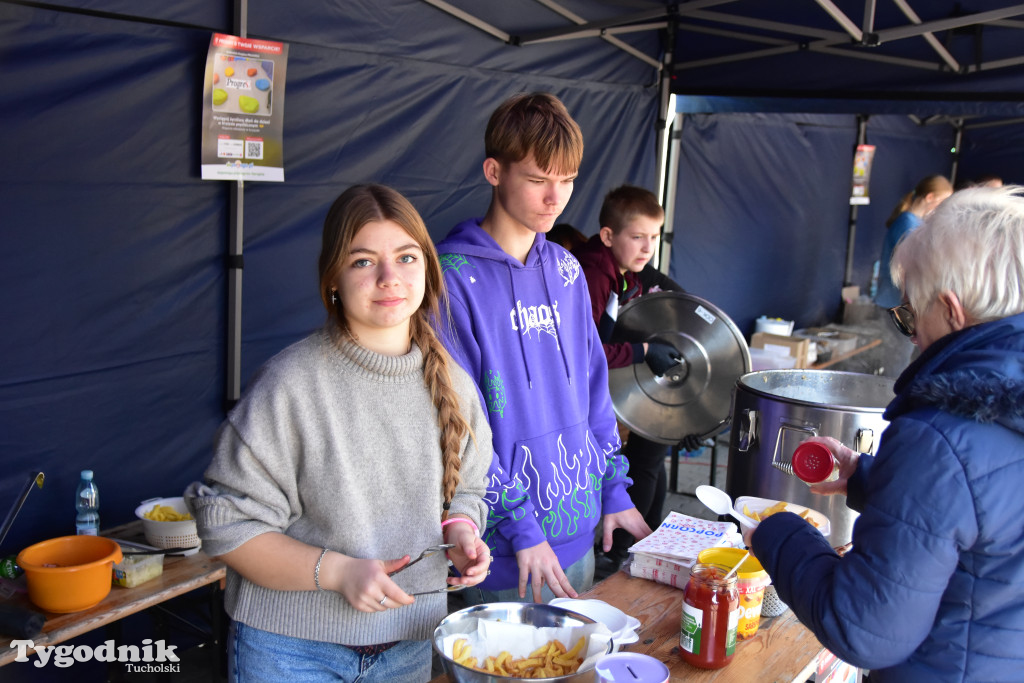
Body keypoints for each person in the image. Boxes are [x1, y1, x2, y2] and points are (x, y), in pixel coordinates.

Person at [184, 184, 493, 682]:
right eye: (364, 262)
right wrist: (338, 572)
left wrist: (460, 530)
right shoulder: (289, 385)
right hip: (290, 652)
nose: (390, 277)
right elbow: (225, 524)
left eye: (406, 257)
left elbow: (471, 489)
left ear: (429, 268)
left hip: (409, 643)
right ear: (333, 279)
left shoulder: (454, 385)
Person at [745, 185, 1024, 682]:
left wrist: (777, 532)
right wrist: (867, 479)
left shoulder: (939, 432)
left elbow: (866, 627)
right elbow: (986, 508)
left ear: (951, 310)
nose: (913, 335)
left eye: (911, 314)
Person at [436, 92, 652, 605]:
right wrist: (520, 529)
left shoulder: (568, 269)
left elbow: (594, 391)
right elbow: (455, 422)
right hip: (501, 550)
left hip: (579, 535)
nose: (555, 198)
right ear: (494, 171)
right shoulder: (450, 278)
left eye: (567, 180)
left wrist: (613, 488)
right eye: (537, 180)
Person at [571, 185, 687, 573]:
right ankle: (609, 554)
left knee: (650, 456)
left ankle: (636, 544)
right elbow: (581, 350)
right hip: (574, 396)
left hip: (600, 391)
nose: (647, 247)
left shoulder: (624, 276)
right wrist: (641, 353)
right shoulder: (592, 273)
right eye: (637, 237)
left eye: (654, 237)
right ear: (608, 236)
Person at [873, 174, 952, 309]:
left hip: (896, 301)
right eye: (943, 201)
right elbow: (911, 265)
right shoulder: (907, 223)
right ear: (930, 197)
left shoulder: (916, 221)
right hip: (894, 302)